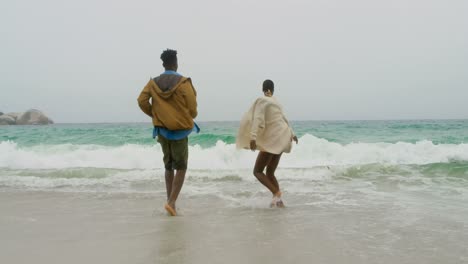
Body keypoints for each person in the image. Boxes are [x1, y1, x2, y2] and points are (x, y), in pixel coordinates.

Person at [137, 49, 198, 216]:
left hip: (162, 130)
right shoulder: (184, 82)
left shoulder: (153, 83)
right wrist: (188, 116)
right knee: (182, 167)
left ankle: (171, 202)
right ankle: (171, 202)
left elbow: (141, 101)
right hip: (180, 131)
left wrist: (155, 114)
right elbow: (192, 107)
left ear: (163, 64)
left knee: (168, 166)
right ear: (175, 63)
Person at [236, 79, 298, 208]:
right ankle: (279, 201)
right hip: (283, 137)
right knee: (270, 172)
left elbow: (258, 118)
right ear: (272, 89)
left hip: (273, 140)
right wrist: (292, 134)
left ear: (263, 89)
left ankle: (276, 193)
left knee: (257, 171)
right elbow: (284, 119)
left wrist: (253, 137)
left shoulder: (262, 100)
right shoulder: (277, 103)